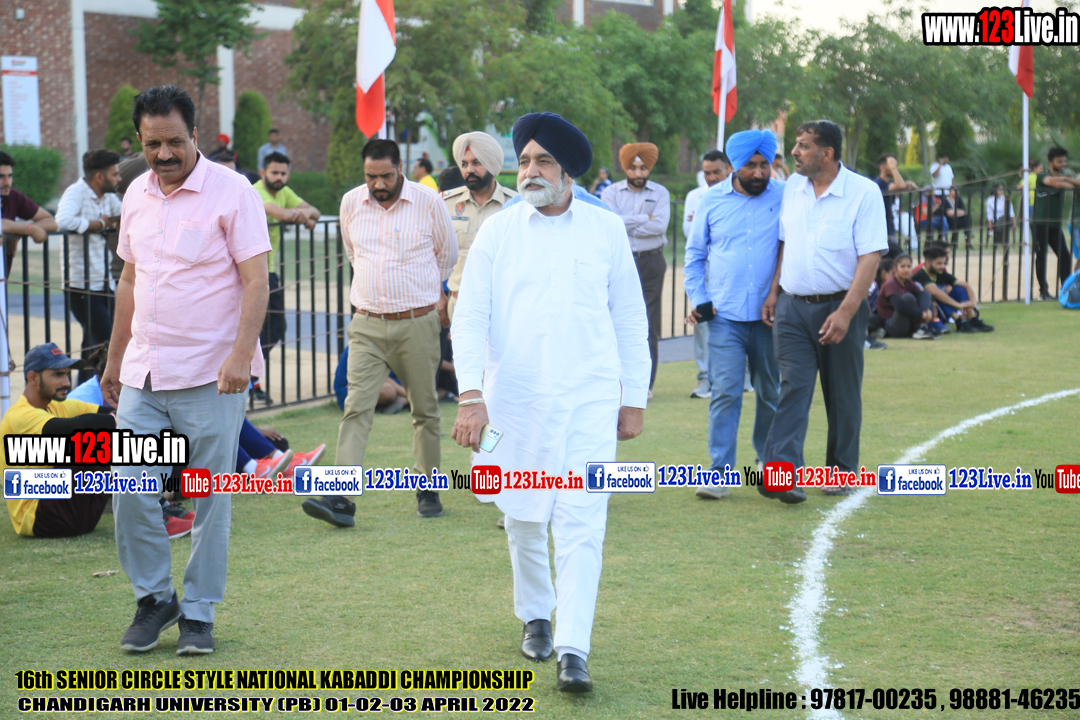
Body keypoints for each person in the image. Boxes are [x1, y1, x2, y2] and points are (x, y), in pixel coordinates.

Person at [451, 112, 649, 693]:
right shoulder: (499, 232)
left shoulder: (605, 229)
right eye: (525, 161)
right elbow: (470, 317)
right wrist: (470, 396)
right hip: (510, 402)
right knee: (520, 515)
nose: (530, 171)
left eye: (543, 161)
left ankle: (573, 647)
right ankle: (536, 614)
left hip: (589, 400)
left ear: (568, 172)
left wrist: (633, 397)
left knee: (583, 521)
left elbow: (629, 317)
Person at [100, 85, 271, 655]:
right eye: (153, 144)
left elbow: (256, 281)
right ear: (139, 141)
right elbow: (130, 281)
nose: (164, 153)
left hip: (211, 374)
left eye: (175, 141)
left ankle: (198, 613)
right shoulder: (136, 194)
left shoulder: (234, 191)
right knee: (129, 487)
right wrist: (114, 360)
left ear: (195, 135)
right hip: (144, 373)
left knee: (210, 498)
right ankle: (155, 599)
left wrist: (241, 356)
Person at [301, 138, 456, 527]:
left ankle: (428, 489)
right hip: (366, 324)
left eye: (386, 175)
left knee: (425, 409)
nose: (378, 184)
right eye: (371, 176)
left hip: (417, 322)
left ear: (400, 167)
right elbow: (355, 254)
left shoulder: (428, 202)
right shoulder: (351, 202)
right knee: (356, 407)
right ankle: (340, 499)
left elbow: (447, 255)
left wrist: (423, 294)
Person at [760, 120, 887, 503]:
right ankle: (782, 475)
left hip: (840, 307)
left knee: (842, 393)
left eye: (803, 145)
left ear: (827, 153)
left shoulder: (864, 192)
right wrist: (774, 292)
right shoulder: (792, 188)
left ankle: (841, 471)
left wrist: (846, 312)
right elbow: (785, 243)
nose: (794, 152)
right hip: (792, 308)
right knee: (793, 388)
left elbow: (870, 258)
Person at [684, 130, 783, 501]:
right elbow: (694, 257)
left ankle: (767, 463)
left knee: (770, 392)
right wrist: (699, 298)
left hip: (770, 318)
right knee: (725, 392)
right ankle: (719, 473)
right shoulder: (711, 200)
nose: (759, 173)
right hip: (724, 316)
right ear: (734, 166)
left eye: (765, 165)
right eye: (751, 165)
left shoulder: (785, 195)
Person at [2, 344, 116, 537]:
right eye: (57, 375)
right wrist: (116, 420)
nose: (66, 382)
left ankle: (156, 497)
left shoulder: (56, 405)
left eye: (67, 374)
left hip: (79, 515)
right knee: (87, 441)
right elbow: (75, 426)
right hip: (38, 517)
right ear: (33, 378)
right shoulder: (19, 415)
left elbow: (103, 413)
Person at [251, 151, 322, 404]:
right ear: (263, 173)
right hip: (247, 273)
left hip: (268, 271)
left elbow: (315, 212)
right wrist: (301, 216)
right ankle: (250, 381)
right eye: (274, 173)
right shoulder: (256, 191)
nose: (279, 177)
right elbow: (281, 215)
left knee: (276, 328)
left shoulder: (284, 192)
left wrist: (303, 214)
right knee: (251, 329)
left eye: (283, 173)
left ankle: (250, 376)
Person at [601, 143, 670, 398]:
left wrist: (625, 223)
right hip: (619, 262)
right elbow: (610, 223)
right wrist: (644, 219)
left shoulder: (660, 193)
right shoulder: (610, 192)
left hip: (650, 261)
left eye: (643, 168)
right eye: (633, 168)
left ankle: (645, 386)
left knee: (649, 324)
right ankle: (615, 381)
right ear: (625, 168)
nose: (638, 173)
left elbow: (660, 226)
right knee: (613, 320)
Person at [55, 149, 124, 385]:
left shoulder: (107, 197)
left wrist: (116, 222)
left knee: (92, 345)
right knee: (107, 341)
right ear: (99, 177)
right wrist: (97, 224)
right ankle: (102, 394)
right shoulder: (76, 192)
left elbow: (125, 213)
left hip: (103, 281)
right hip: (80, 284)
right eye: (115, 174)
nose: (119, 179)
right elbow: (62, 221)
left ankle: (82, 394)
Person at [442, 131, 517, 323]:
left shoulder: (515, 205)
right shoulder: (445, 203)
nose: (469, 170)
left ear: (491, 164)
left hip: (503, 306)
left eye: (477, 163)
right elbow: (432, 254)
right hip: (459, 303)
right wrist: (438, 295)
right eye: (464, 164)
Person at [682, 150, 732, 400]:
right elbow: (690, 232)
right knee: (702, 321)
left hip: (730, 269)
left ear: (729, 170)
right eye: (707, 173)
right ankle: (705, 379)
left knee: (737, 320)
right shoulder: (696, 196)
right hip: (704, 267)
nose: (711, 178)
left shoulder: (741, 196)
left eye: (716, 172)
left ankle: (743, 376)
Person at [1, 150, 59, 277]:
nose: (7, 182)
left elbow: (51, 222)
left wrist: (18, 232)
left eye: (9, 176)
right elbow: (2, 224)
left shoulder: (13, 196)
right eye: (1, 177)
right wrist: (27, 229)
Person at [1033, 147, 1080, 300]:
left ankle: (1065, 290)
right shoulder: (1042, 175)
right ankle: (1043, 292)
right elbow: (1057, 185)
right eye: (1059, 162)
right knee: (1041, 256)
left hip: (1055, 225)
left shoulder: (1064, 175)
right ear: (1050, 162)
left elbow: (1071, 184)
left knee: (1065, 256)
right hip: (1040, 223)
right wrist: (1070, 183)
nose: (1063, 164)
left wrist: (1065, 179)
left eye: (1064, 161)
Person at [912, 244, 993, 334]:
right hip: (930, 312)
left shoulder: (940, 273)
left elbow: (966, 285)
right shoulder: (920, 274)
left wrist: (972, 304)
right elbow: (934, 292)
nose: (943, 266)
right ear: (927, 263)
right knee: (937, 291)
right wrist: (958, 305)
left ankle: (973, 319)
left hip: (943, 309)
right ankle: (959, 321)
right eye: (939, 263)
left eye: (944, 263)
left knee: (959, 288)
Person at [876, 255, 934, 339]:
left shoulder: (908, 282)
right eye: (902, 266)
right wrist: (921, 314)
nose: (906, 270)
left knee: (925, 293)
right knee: (908, 298)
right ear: (895, 268)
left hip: (907, 322)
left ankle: (922, 326)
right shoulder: (890, 284)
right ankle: (919, 328)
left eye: (909, 266)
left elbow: (922, 296)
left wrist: (928, 311)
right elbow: (899, 307)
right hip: (892, 325)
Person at [872, 153, 917, 245]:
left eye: (896, 165)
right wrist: (893, 168)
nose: (895, 168)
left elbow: (902, 186)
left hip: (889, 225)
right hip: (879, 228)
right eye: (892, 165)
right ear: (882, 168)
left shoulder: (890, 183)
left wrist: (908, 185)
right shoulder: (878, 183)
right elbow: (901, 186)